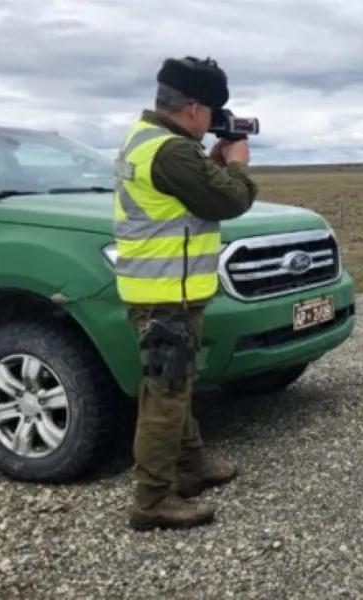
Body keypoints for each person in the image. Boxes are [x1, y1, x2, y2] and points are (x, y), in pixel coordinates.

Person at [111, 55, 258, 531]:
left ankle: (191, 465)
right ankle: (151, 501)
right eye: (212, 111)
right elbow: (230, 200)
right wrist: (236, 165)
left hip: (161, 289)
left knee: (177, 381)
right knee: (166, 391)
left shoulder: (149, 140)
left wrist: (210, 162)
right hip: (164, 294)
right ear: (193, 108)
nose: (213, 121)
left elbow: (187, 197)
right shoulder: (172, 152)